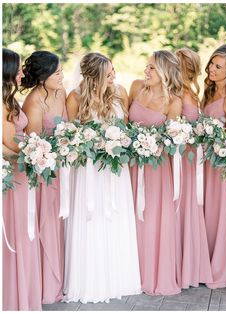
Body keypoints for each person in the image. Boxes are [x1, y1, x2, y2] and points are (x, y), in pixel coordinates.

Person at [63, 52, 141, 303]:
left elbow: (126, 127)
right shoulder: (75, 97)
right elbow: (72, 136)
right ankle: (91, 279)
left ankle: (119, 277)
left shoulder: (119, 91)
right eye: (108, 73)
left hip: (115, 172)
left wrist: (118, 141)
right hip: (89, 171)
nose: (114, 76)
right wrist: (94, 143)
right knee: (91, 218)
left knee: (116, 217)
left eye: (114, 70)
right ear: (94, 76)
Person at [129, 50, 182, 295]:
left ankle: (151, 275)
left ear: (163, 73)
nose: (146, 71)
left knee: (152, 220)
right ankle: (129, 273)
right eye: (146, 66)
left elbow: (170, 140)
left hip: (156, 171)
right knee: (130, 217)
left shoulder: (173, 102)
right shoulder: (136, 87)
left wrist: (152, 144)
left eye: (151, 68)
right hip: (129, 166)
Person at [21, 51, 67, 303]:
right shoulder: (34, 102)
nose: (62, 76)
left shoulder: (61, 91)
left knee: (60, 223)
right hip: (44, 173)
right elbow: (36, 145)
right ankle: (47, 286)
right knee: (47, 223)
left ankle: (60, 278)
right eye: (57, 73)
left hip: (63, 169)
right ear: (43, 77)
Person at [2, 48, 42, 310]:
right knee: (17, 230)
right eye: (16, 68)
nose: (21, 73)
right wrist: (36, 151)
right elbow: (7, 142)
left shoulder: (10, 98)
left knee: (22, 230)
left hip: (19, 170)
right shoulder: (3, 102)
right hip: (14, 172)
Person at [175, 48, 213, 288]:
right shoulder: (178, 92)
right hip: (183, 155)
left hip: (191, 156)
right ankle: (183, 263)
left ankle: (189, 264)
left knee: (188, 205)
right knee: (182, 205)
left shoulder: (188, 92)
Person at [202, 44, 226, 288]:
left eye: (218, 66)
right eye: (212, 63)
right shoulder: (208, 91)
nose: (212, 69)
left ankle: (222, 268)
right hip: (207, 164)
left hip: (223, 164)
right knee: (209, 214)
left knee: (223, 213)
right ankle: (206, 262)